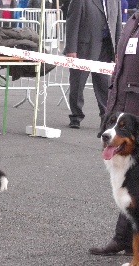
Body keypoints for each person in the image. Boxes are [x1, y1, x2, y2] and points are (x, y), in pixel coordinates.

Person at [89, 9, 139, 257]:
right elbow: (120, 66)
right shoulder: (132, 18)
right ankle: (123, 239)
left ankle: (124, 239)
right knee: (129, 185)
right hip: (123, 104)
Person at [64, 0, 122, 129]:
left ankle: (106, 118)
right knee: (78, 84)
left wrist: (118, 49)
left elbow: (118, 25)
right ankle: (76, 116)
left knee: (104, 86)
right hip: (83, 48)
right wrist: (71, 49)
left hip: (106, 48)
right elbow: (72, 23)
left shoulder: (115, 1)